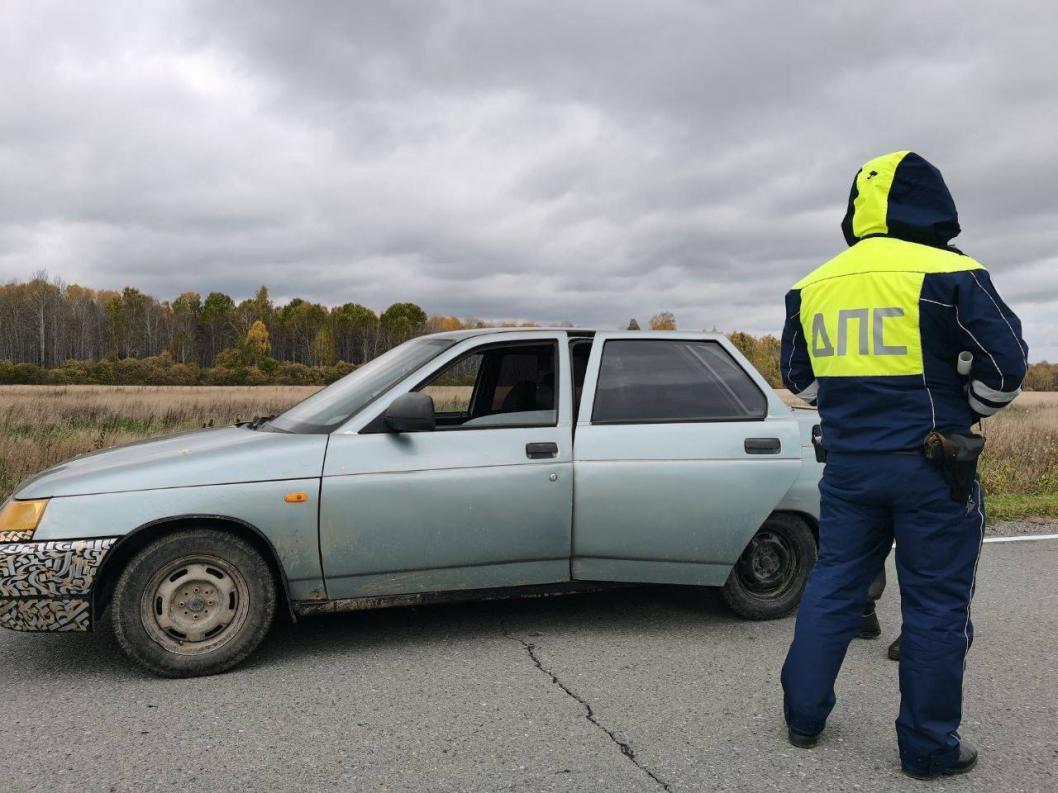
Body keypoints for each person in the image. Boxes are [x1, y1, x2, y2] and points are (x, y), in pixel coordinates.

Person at [778, 151, 1028, 779]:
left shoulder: (814, 283)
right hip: (932, 467)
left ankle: (802, 718)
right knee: (937, 606)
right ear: (931, 201)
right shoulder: (953, 272)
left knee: (833, 586)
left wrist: (850, 412)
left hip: (848, 467)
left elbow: (800, 379)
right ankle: (928, 747)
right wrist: (962, 407)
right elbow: (1006, 367)